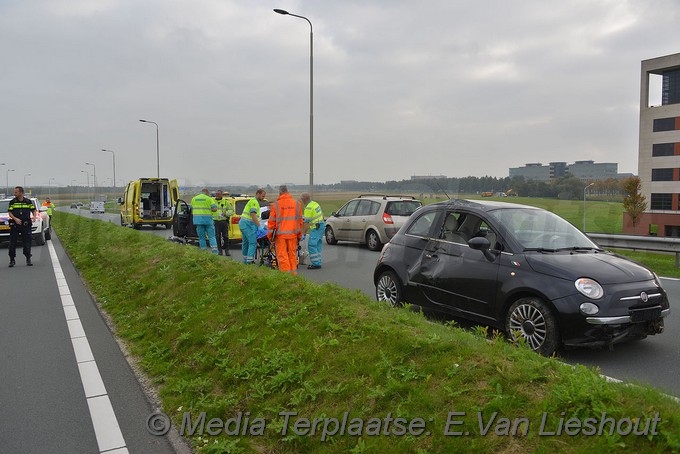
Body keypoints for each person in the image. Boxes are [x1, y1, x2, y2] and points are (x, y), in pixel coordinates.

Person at [267, 185, 303, 275]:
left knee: (282, 256)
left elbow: (271, 222)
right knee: (292, 255)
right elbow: (300, 222)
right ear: (288, 191)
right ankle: (293, 276)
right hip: (293, 235)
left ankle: (286, 277)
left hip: (280, 236)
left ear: (280, 193)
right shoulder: (297, 204)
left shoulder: (276, 205)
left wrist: (270, 237)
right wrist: (299, 235)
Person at [8, 186, 38, 267]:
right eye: (14, 192)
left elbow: (33, 210)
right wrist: (15, 219)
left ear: (21, 193)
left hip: (25, 225)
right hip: (15, 225)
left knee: (27, 242)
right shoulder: (12, 202)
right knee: (12, 243)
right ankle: (12, 260)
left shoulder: (28, 202)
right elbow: (10, 212)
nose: (14, 193)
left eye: (16, 192)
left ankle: (28, 258)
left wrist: (34, 216)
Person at [239, 188, 266, 264]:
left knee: (246, 242)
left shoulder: (252, 201)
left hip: (243, 224)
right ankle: (249, 261)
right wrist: (259, 226)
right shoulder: (254, 202)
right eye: (262, 196)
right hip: (248, 225)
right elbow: (253, 214)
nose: (263, 198)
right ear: (258, 194)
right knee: (253, 243)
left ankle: (245, 260)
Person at [300, 192, 325, 270]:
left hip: (315, 228)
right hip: (321, 226)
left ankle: (316, 264)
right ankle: (319, 260)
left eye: (302, 199)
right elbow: (322, 214)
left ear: (304, 199)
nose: (301, 201)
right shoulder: (315, 204)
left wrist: (303, 233)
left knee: (312, 245)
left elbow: (306, 223)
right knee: (318, 245)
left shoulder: (308, 208)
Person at [190, 188, 218, 254]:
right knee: (211, 236)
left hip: (198, 221)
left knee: (201, 237)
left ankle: (203, 252)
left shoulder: (194, 199)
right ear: (207, 193)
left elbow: (191, 209)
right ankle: (215, 252)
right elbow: (215, 209)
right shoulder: (209, 199)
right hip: (208, 220)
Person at [212, 190, 234, 256]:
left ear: (221, 195)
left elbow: (232, 211)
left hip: (224, 221)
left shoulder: (226, 202)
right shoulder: (212, 202)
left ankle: (227, 250)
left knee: (225, 236)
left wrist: (226, 213)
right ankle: (220, 251)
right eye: (216, 194)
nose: (217, 195)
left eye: (218, 194)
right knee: (217, 237)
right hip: (215, 221)